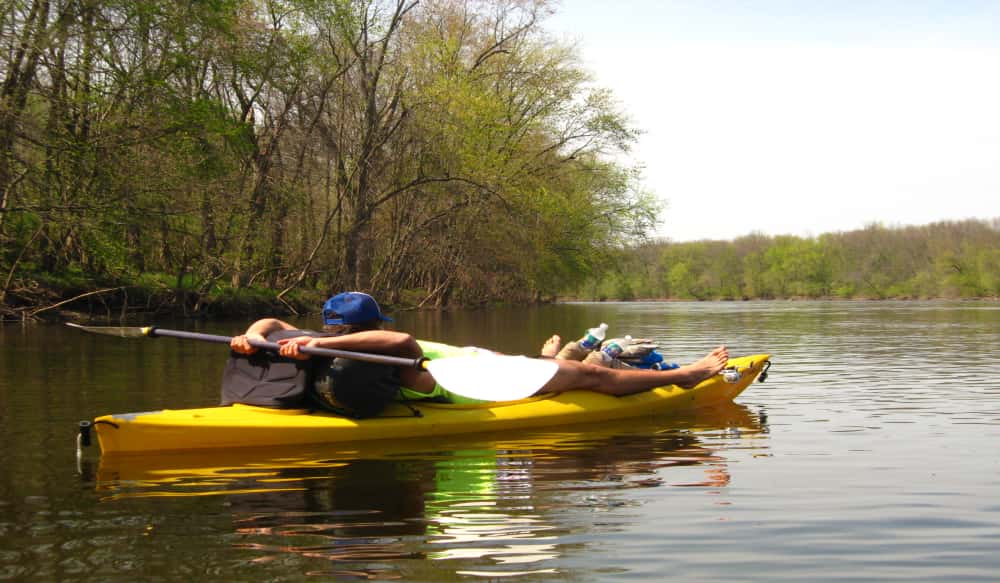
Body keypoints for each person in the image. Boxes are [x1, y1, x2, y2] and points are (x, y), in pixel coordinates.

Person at [229, 292, 730, 415]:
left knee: (569, 361)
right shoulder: (371, 350)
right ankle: (685, 375)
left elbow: (273, 323)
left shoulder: (322, 341)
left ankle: (558, 353)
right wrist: (254, 337)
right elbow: (403, 345)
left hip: (477, 360)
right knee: (590, 377)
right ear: (374, 324)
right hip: (478, 381)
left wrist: (253, 335)